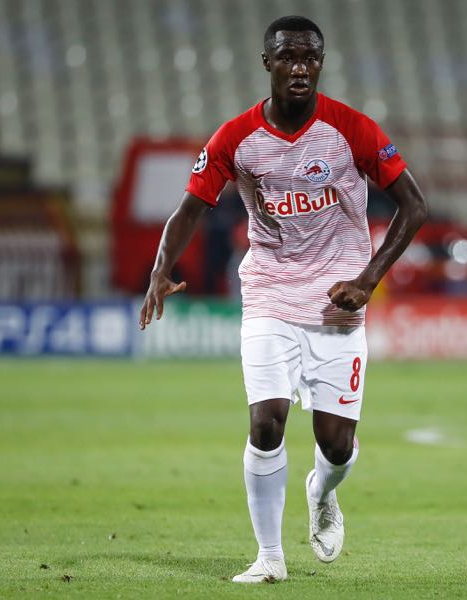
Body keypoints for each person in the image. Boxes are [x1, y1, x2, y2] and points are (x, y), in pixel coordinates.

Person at [138, 15, 427, 583]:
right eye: (288, 57)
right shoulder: (235, 138)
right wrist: (158, 270)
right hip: (269, 294)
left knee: (336, 445)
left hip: (338, 303)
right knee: (266, 423)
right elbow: (192, 205)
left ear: (321, 63)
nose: (300, 67)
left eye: (310, 58)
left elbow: (414, 207)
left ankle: (322, 490)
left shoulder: (353, 130)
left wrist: (367, 280)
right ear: (266, 63)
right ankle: (270, 559)